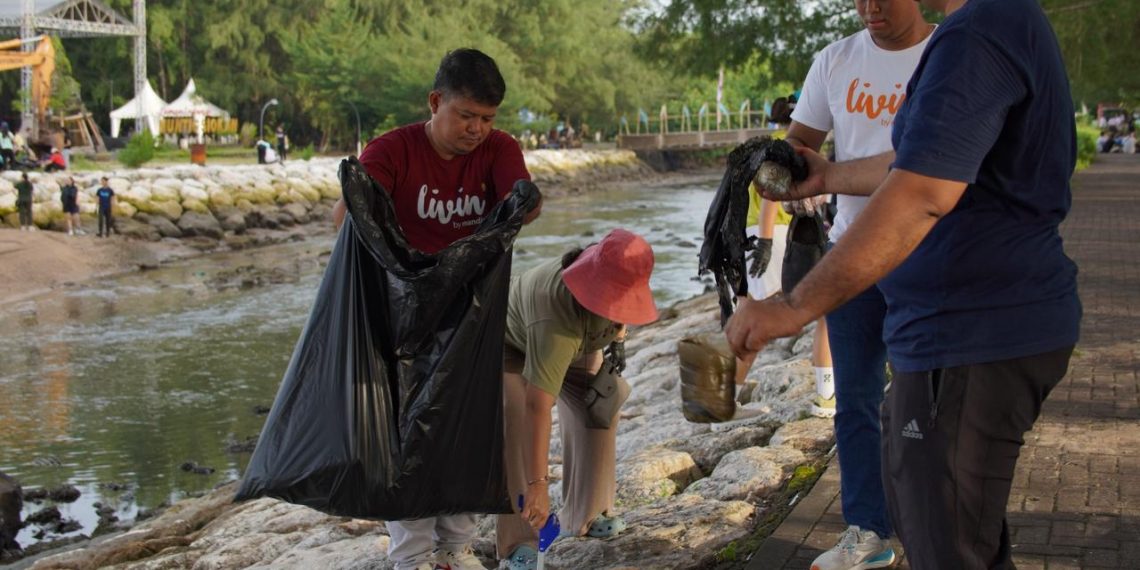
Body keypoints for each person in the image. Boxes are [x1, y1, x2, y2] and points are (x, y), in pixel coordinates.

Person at [731, 0, 1079, 567]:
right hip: (959, 334)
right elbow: (930, 161)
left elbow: (921, 193)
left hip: (972, 332)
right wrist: (832, 175)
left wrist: (791, 307)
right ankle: (865, 530)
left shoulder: (979, 34)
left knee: (949, 548)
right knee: (949, 527)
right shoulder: (997, 23)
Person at [331, 48, 542, 570]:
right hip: (404, 319)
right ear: (435, 102)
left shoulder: (498, 149)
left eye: (487, 118)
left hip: (472, 316)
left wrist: (522, 201)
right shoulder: (394, 149)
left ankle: (456, 548)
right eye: (466, 115)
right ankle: (413, 556)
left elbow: (527, 200)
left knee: (469, 428)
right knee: (408, 436)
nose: (477, 129)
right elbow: (345, 215)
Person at [752, 2, 935, 568]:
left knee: (926, 402)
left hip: (929, 256)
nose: (871, 8)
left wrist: (829, 171)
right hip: (852, 252)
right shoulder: (834, 60)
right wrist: (765, 170)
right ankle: (867, 532)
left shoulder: (947, 55)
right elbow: (797, 144)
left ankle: (936, 529)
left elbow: (927, 160)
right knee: (853, 400)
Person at [496, 229, 657, 570]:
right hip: (514, 343)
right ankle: (518, 544)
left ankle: (586, 514)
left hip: (582, 341)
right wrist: (539, 485)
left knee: (599, 409)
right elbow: (538, 407)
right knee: (517, 428)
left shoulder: (617, 267)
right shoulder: (552, 316)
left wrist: (619, 337)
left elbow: (623, 303)